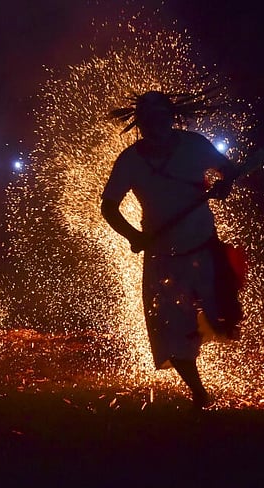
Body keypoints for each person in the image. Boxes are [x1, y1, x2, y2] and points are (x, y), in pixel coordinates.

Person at [101, 90, 242, 408]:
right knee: (170, 333)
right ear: (140, 124)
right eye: (149, 120)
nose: (156, 126)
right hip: (164, 259)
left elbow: (227, 169)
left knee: (223, 316)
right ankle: (199, 392)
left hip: (204, 249)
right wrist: (133, 235)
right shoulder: (130, 161)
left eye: (161, 118)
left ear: (170, 118)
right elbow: (108, 207)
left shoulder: (194, 145)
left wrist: (225, 184)